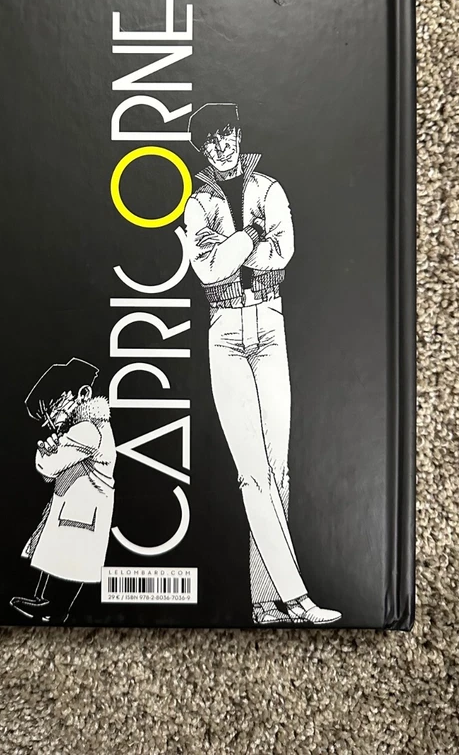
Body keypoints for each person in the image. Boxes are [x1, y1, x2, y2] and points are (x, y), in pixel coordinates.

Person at [184, 103, 341, 626]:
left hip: (271, 326)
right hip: (225, 332)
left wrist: (236, 249)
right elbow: (208, 268)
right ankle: (297, 598)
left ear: (237, 133)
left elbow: (284, 252)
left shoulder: (269, 189)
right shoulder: (199, 202)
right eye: (211, 140)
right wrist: (251, 237)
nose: (221, 145)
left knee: (279, 470)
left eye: (226, 133)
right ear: (202, 149)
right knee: (252, 474)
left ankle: (263, 601)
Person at [10, 358, 116, 623]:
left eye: (55, 405)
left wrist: (46, 449)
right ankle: (46, 602)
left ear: (83, 394)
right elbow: (51, 473)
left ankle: (54, 608)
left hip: (82, 511)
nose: (52, 416)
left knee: (70, 559)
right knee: (60, 557)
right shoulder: (89, 427)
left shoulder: (87, 429)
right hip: (76, 507)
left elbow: (48, 467)